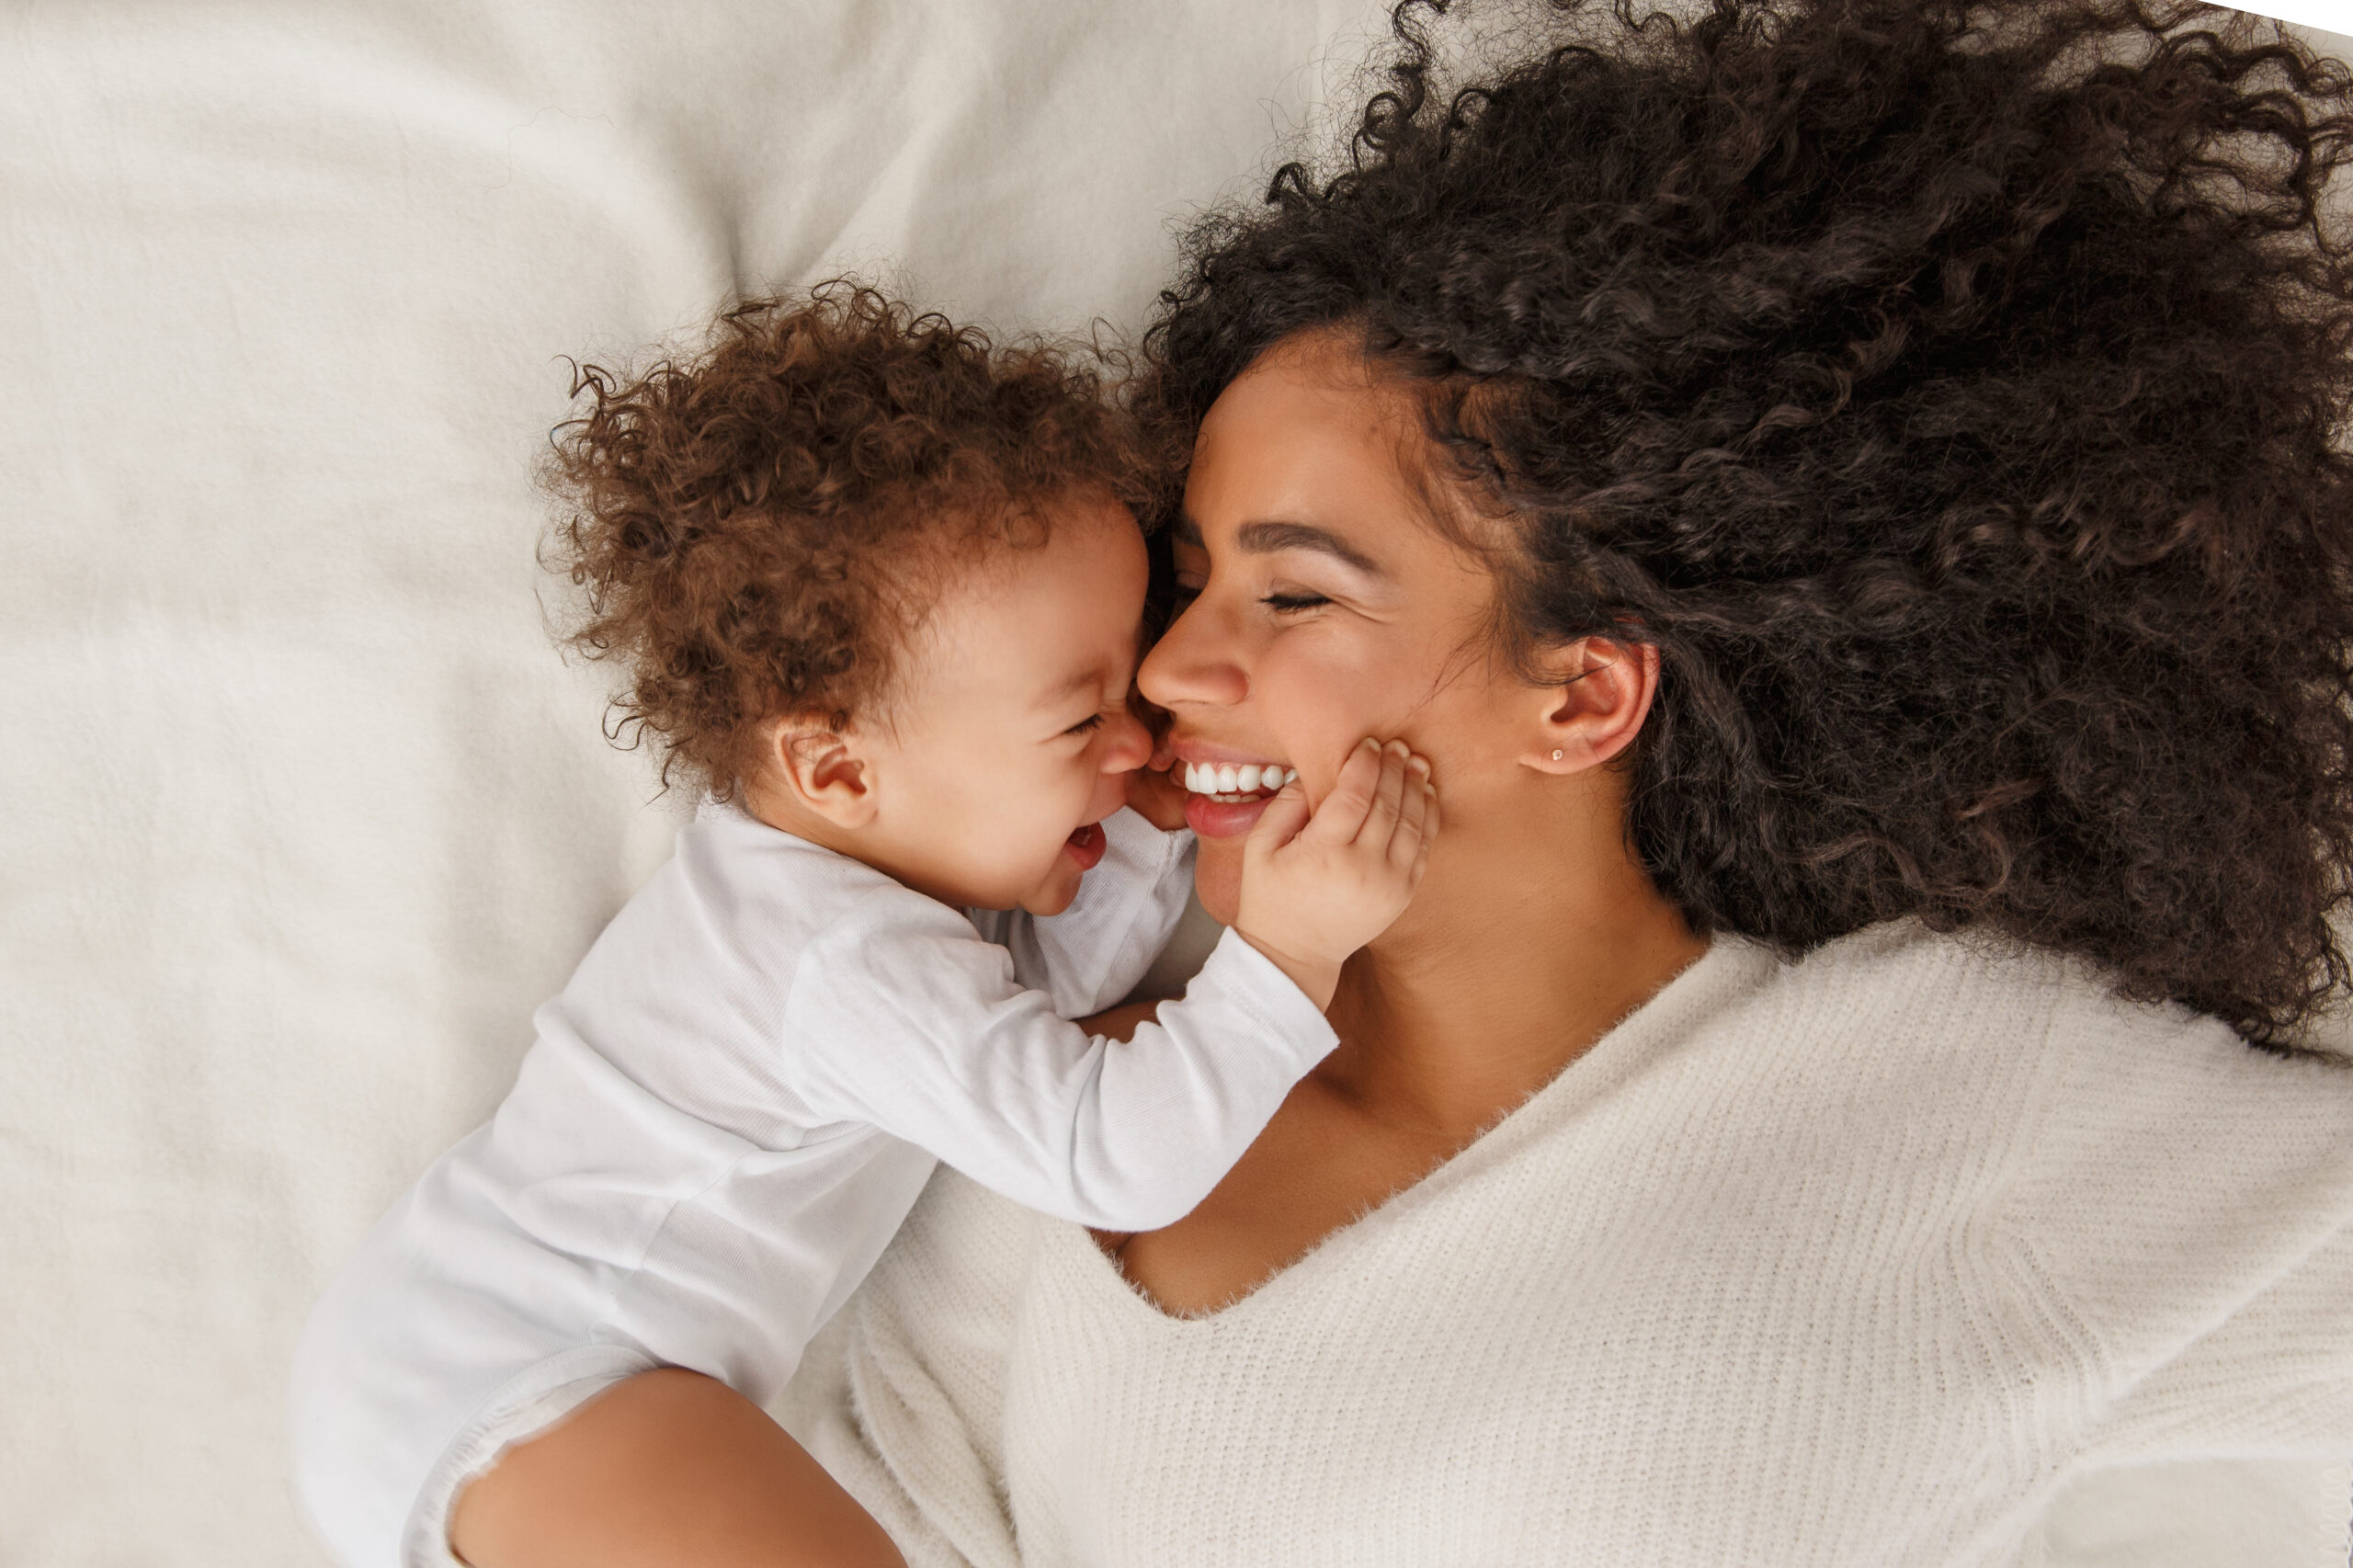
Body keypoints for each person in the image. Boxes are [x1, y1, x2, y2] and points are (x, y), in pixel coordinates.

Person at [755, 2, 2353, 1563]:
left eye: (1292, 595)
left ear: (1581, 692)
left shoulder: (1947, 1099)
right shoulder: (1057, 1094)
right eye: (1190, 586)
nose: (1171, 673)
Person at [288, 285, 1438, 1568]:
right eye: (1081, 722)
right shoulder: (832, 956)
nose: (1140, 738)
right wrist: (1287, 956)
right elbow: (1103, 1144)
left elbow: (1036, 1008)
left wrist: (1142, 823)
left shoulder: (841, 892)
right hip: (529, 1374)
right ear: (837, 769)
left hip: (472, 1364)